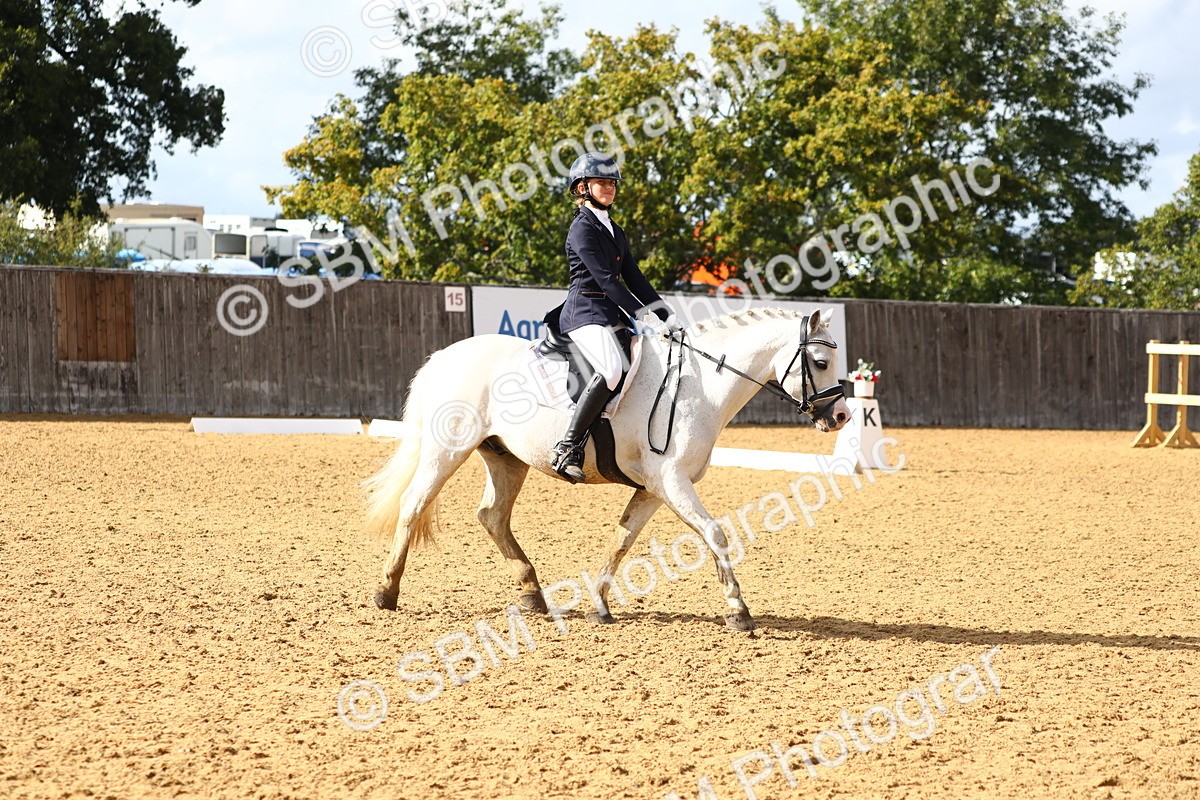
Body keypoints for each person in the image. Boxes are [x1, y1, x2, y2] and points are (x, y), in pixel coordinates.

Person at [545, 152, 681, 482]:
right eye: (601, 182)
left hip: (609, 314)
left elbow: (634, 277)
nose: (609, 188)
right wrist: (644, 316)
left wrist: (666, 315)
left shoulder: (615, 229)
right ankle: (567, 447)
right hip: (583, 313)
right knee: (611, 369)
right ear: (581, 187)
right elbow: (607, 281)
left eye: (612, 183)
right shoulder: (582, 229)